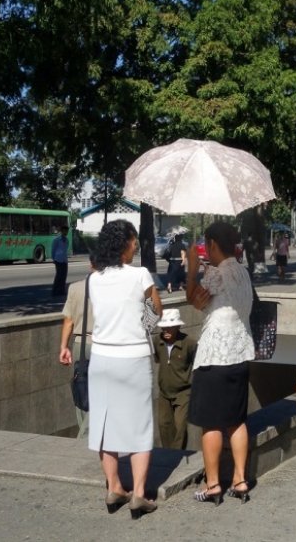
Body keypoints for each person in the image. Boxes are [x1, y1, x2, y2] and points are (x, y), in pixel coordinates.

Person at [88, 219, 162, 519]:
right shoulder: (140, 274)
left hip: (100, 358)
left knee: (104, 424)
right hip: (132, 357)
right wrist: (141, 319)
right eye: (134, 242)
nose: (135, 248)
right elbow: (155, 314)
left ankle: (114, 487)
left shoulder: (94, 278)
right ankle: (139, 494)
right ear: (124, 244)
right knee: (139, 425)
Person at [186, 221, 254, 506]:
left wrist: (192, 267)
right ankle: (240, 480)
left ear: (212, 244)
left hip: (214, 357)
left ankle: (213, 484)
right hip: (239, 355)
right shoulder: (243, 272)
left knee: (211, 424)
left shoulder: (216, 274)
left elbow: (193, 299)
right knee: (236, 422)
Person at [58, 260, 96, 439]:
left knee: (81, 387)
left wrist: (63, 347)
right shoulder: (111, 288)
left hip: (80, 345)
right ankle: (85, 436)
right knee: (100, 392)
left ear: (90, 264)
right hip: (102, 346)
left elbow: (68, 321)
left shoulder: (75, 288)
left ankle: (83, 433)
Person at [152, 309, 197, 450]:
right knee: (163, 423)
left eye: (170, 327)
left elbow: (196, 362)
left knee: (180, 425)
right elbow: (158, 359)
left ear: (177, 326)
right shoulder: (157, 341)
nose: (166, 330)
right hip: (164, 392)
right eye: (163, 327)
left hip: (183, 392)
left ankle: (176, 453)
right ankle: (169, 452)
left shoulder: (189, 343)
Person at [51, 224, 69, 296]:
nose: (65, 232)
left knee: (64, 276)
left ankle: (62, 290)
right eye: (64, 231)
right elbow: (53, 249)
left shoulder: (66, 240)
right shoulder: (57, 240)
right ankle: (55, 290)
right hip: (58, 260)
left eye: (66, 231)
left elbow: (65, 250)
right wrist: (53, 258)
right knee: (58, 276)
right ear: (61, 231)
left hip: (64, 260)